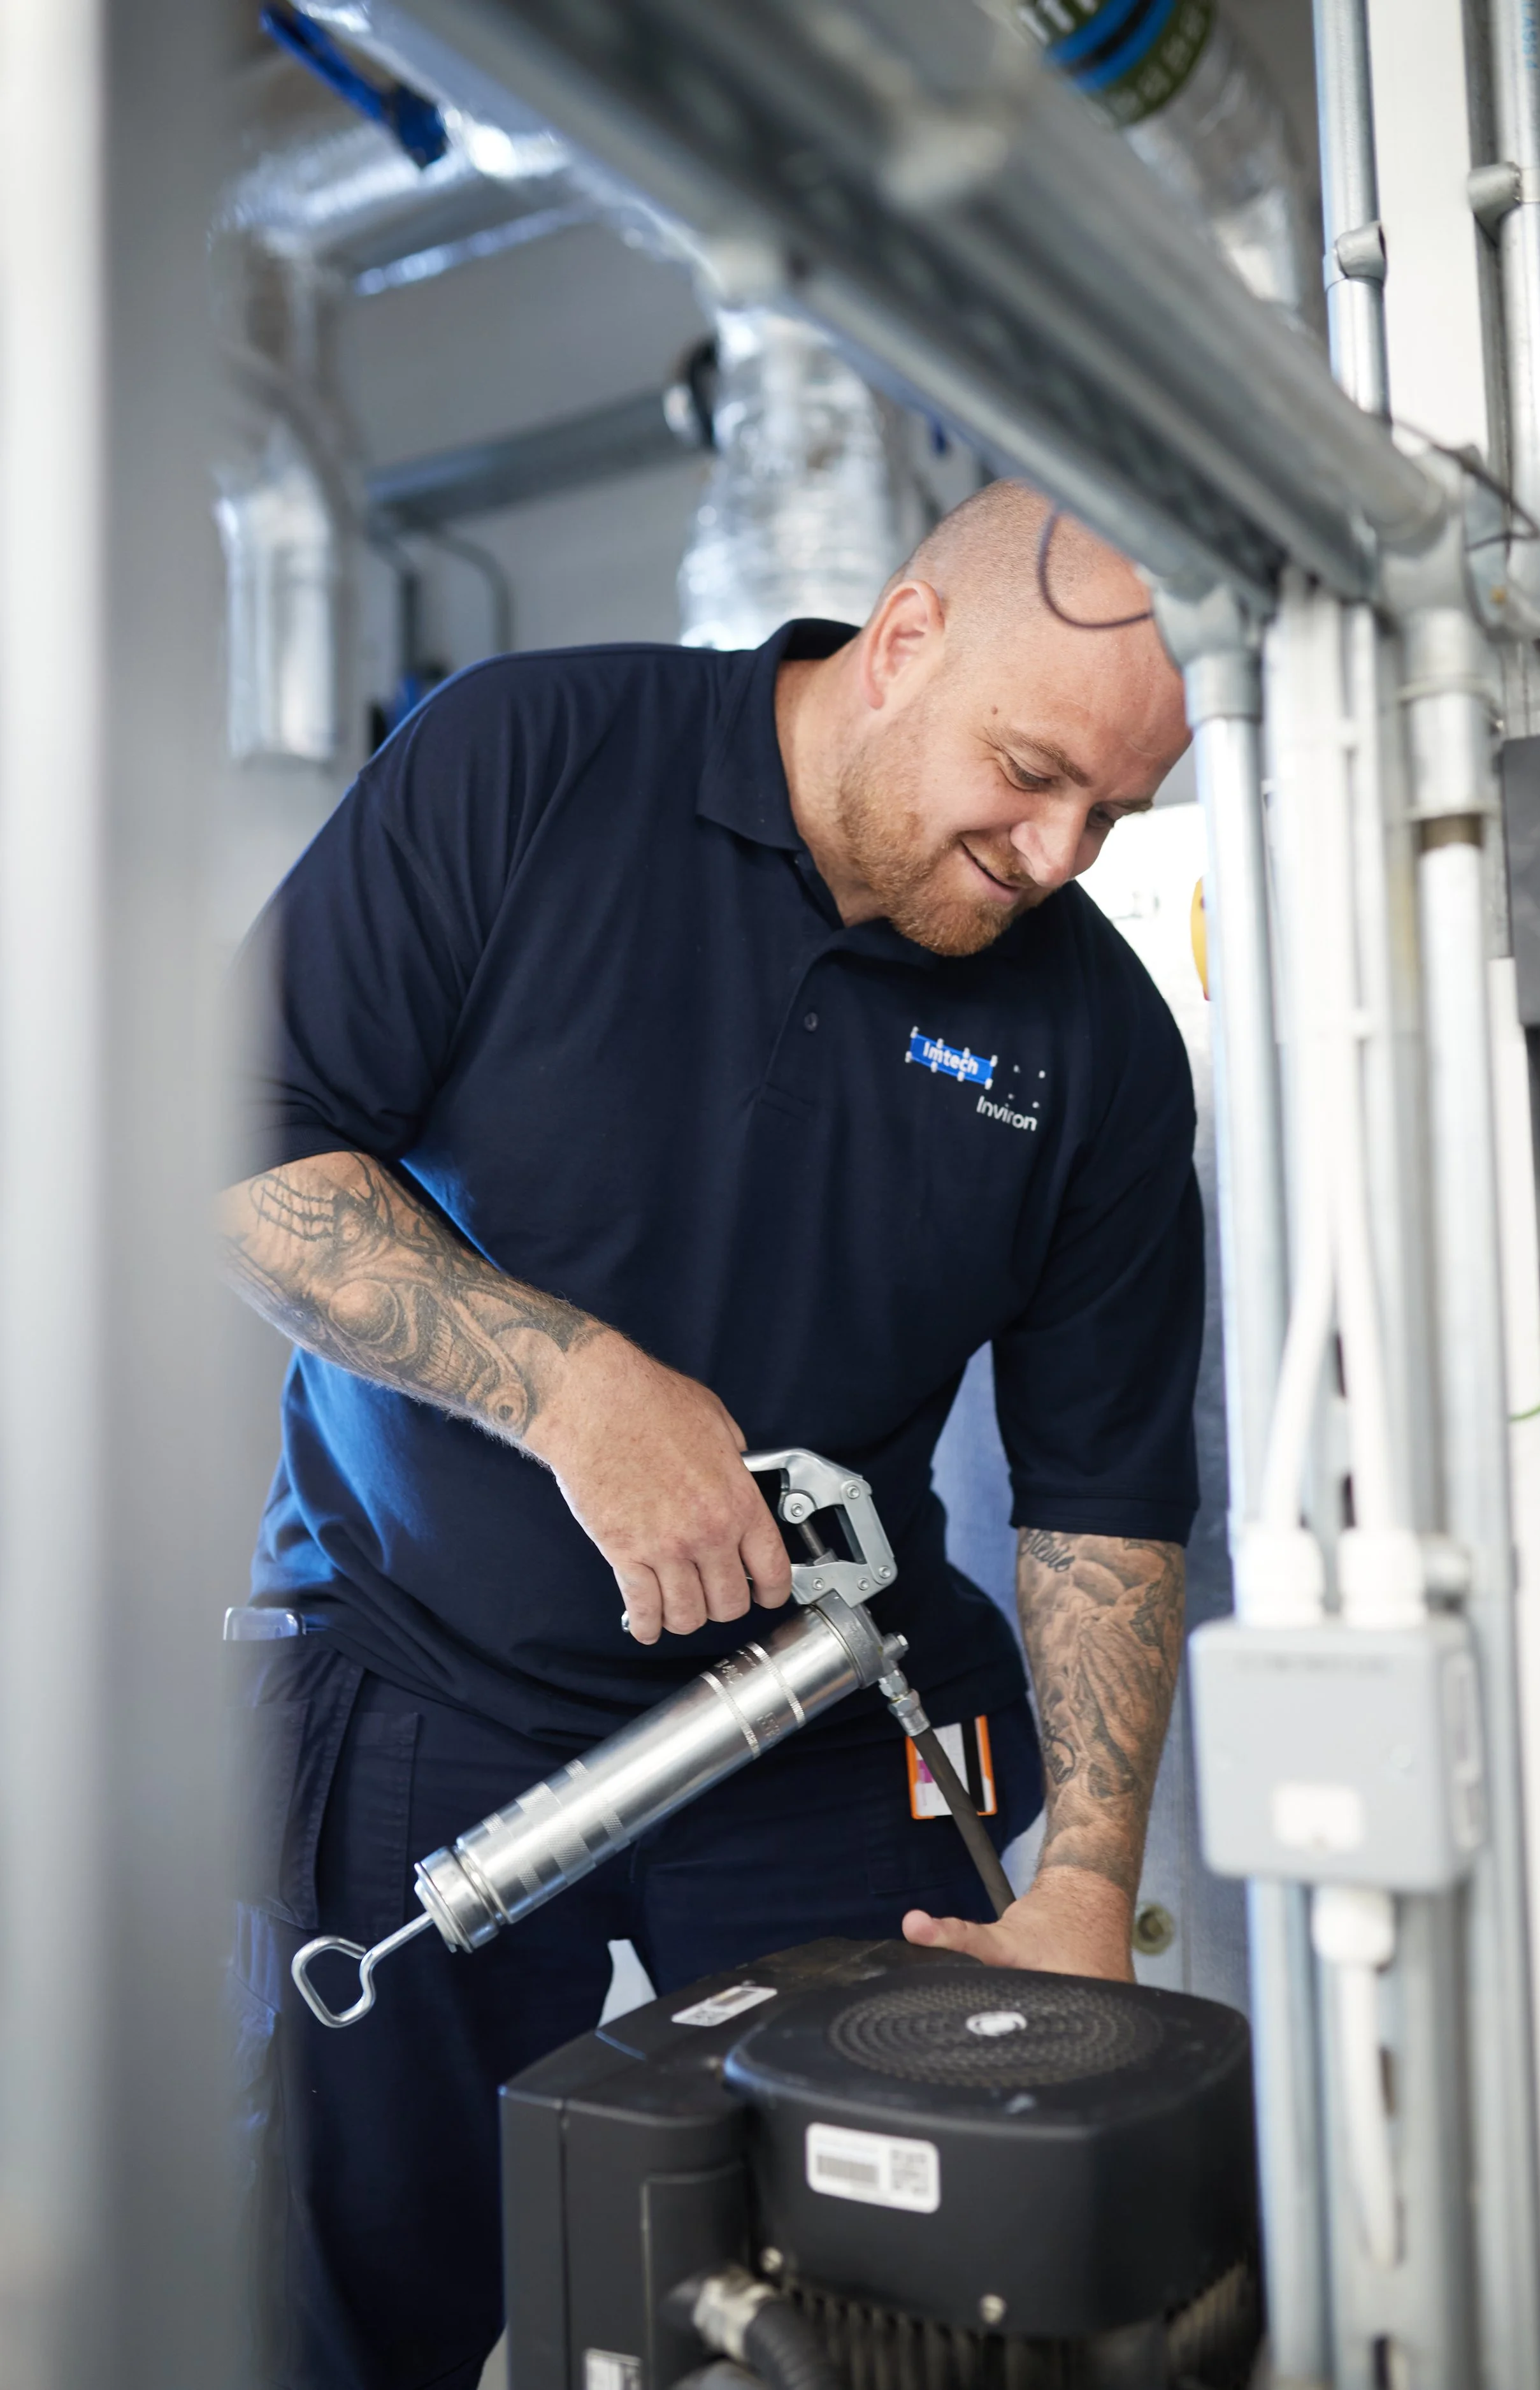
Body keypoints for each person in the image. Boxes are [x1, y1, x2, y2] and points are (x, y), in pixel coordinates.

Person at [222, 479, 1202, 2389]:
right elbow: (241, 1135)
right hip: (421, 1686)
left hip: (818, 1732)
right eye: (1027, 772)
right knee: (356, 2318)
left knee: (888, 2309)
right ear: (900, 638)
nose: (1056, 850)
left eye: (1112, 814)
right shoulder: (531, 757)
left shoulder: (1095, 1045)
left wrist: (1087, 1866)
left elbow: (1102, 1490)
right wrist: (570, 1385)